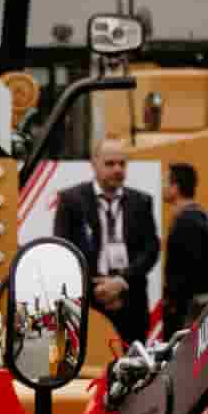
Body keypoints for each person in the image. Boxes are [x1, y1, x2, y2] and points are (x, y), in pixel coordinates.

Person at [48, 134, 156, 364]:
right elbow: (63, 250)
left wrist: (121, 281)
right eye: (110, 163)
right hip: (87, 304)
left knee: (133, 370)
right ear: (94, 164)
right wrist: (97, 287)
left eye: (122, 163)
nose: (117, 169)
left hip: (131, 303)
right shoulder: (71, 200)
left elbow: (151, 250)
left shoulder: (142, 201)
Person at [157, 160, 208, 336]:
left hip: (189, 316)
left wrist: (172, 307)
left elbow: (182, 276)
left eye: (164, 182)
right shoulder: (206, 218)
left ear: (175, 187)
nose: (161, 187)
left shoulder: (184, 223)